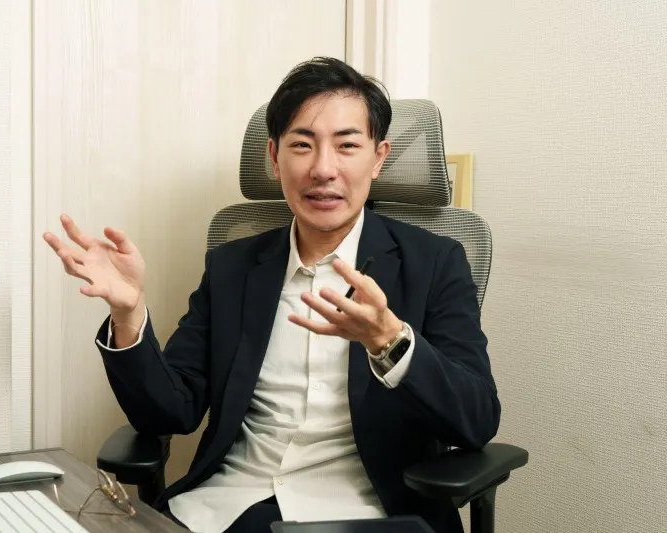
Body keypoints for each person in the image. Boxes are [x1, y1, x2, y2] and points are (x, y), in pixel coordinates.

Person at [44, 57, 500, 533]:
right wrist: (128, 313)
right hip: (230, 504)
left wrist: (391, 341)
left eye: (347, 145)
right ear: (275, 158)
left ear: (378, 158)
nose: (323, 169)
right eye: (302, 145)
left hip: (367, 510)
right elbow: (168, 411)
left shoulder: (435, 262)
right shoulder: (232, 267)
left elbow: (477, 419)